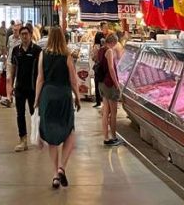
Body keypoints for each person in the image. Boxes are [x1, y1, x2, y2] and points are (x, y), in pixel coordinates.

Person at [35, 26, 81, 189]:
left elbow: (40, 79)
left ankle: (55, 174)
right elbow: (73, 79)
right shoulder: (67, 55)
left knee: (51, 137)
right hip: (63, 95)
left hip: (48, 95)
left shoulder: (43, 54)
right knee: (69, 131)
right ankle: (62, 167)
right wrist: (77, 97)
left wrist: (36, 100)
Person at [8, 23, 42, 151]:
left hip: (33, 88)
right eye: (22, 34)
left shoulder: (37, 50)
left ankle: (37, 137)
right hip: (20, 87)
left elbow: (41, 71)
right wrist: (10, 86)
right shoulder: (16, 51)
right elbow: (13, 69)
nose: (24, 36)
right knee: (20, 114)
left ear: (30, 35)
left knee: (35, 114)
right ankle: (23, 140)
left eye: (26, 34)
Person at [99, 33, 122, 146]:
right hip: (109, 84)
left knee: (105, 112)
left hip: (102, 83)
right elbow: (111, 69)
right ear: (113, 42)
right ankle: (114, 137)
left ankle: (106, 137)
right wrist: (117, 84)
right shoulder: (109, 51)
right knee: (113, 113)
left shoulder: (101, 49)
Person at [92, 21, 109, 107]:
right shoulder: (104, 48)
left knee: (97, 83)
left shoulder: (95, 46)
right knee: (102, 83)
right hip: (102, 67)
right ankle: (104, 100)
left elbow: (93, 57)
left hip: (97, 67)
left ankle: (98, 101)